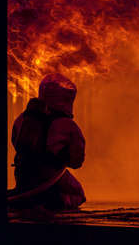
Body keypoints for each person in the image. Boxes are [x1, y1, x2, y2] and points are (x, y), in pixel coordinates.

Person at [9, 73, 86, 210]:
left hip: (22, 176)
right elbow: (77, 161)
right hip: (51, 179)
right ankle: (55, 203)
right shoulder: (67, 125)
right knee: (77, 194)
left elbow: (16, 142)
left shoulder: (22, 119)